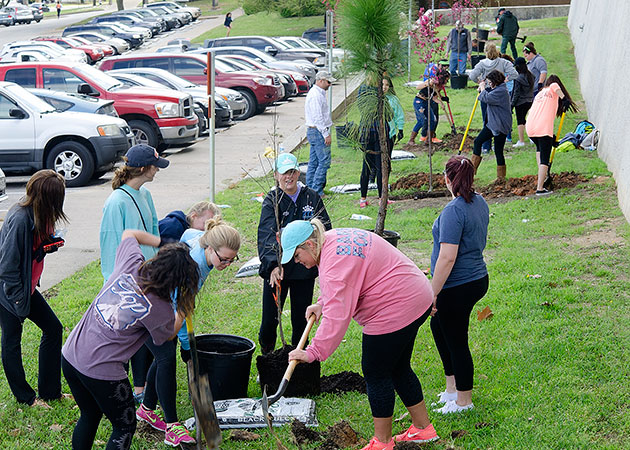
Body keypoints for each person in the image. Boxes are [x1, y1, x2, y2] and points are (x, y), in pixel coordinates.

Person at [285, 220, 438, 450]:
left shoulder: (332, 261)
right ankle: (423, 429)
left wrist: (314, 352)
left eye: (297, 256)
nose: (299, 262)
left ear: (309, 244)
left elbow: (338, 314)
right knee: (398, 367)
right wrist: (322, 303)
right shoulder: (334, 239)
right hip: (416, 294)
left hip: (395, 305)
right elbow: (348, 282)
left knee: (376, 372)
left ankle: (382, 443)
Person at [62, 229, 200, 450]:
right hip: (101, 371)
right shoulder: (160, 309)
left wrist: (161, 241)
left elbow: (129, 234)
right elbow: (169, 335)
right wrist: (183, 309)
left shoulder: (132, 262)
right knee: (124, 427)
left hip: (71, 354)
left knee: (89, 413)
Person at [136, 217, 240, 446]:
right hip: (148, 303)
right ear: (210, 248)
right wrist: (186, 345)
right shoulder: (193, 269)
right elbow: (178, 314)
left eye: (233, 260)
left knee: (163, 356)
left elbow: (188, 234)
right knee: (165, 358)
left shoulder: (200, 240)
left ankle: (146, 409)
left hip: (164, 300)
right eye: (224, 259)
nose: (227, 264)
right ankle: (172, 426)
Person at [100, 143, 168, 405]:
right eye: (155, 167)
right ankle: (128, 390)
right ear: (143, 168)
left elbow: (154, 235)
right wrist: (113, 282)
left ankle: (141, 387)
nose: (157, 171)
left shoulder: (146, 195)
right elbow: (111, 244)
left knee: (145, 334)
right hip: (126, 281)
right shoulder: (116, 201)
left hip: (149, 277)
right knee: (129, 338)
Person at [0, 170, 67, 407]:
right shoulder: (20, 218)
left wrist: (48, 246)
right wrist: (18, 301)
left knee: (53, 329)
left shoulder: (42, 214)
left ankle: (50, 391)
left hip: (26, 287)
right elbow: (6, 267)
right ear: (48, 198)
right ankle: (26, 398)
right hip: (9, 291)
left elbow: (34, 247)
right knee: (11, 343)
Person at [429, 155, 489, 414]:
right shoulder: (480, 202)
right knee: (438, 325)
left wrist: (432, 292)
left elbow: (448, 256)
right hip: (476, 278)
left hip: (458, 284)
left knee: (456, 339)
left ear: (447, 179)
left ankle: (464, 402)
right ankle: (452, 390)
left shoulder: (453, 211)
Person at [257, 153, 331, 354]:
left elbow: (324, 228)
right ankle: (268, 355)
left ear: (298, 172)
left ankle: (298, 357)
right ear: (276, 175)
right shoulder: (271, 200)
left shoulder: (311, 197)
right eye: (284, 173)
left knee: (301, 317)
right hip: (279, 271)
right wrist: (272, 265)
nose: (288, 177)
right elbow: (265, 235)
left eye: (292, 172)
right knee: (270, 319)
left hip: (303, 270)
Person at [525, 75, 577, 196]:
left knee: (539, 150)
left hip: (531, 128)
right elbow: (554, 85)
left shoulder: (540, 93)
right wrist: (564, 99)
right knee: (544, 158)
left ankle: (543, 177)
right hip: (542, 129)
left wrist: (552, 137)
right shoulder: (552, 88)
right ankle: (540, 188)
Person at [359, 76, 404, 208]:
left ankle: (372, 198)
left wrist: (399, 129)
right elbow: (389, 115)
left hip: (375, 134)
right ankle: (373, 198)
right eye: (382, 84)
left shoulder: (366, 94)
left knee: (374, 166)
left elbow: (395, 115)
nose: (384, 87)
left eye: (386, 85)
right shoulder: (377, 98)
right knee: (375, 166)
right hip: (376, 135)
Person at [468, 43, 518, 154]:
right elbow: (514, 74)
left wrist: (480, 82)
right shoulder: (503, 62)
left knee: (487, 120)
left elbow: (472, 75)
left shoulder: (482, 64)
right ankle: (498, 144)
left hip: (487, 92)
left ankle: (486, 146)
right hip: (500, 92)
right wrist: (505, 80)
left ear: (485, 52)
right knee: (500, 118)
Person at [471, 70, 512, 180]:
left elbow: (486, 98)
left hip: (500, 125)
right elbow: (486, 95)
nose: (489, 84)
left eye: (490, 82)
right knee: (478, 142)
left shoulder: (501, 91)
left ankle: (501, 178)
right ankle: (472, 172)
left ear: (495, 81)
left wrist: (483, 88)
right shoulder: (499, 88)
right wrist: (482, 89)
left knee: (498, 150)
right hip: (494, 123)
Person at [305, 71, 335, 196]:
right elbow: (318, 117)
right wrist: (325, 133)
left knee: (314, 161)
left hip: (314, 130)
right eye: (328, 82)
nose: (330, 85)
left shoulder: (317, 93)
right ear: (321, 80)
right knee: (324, 161)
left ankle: (309, 189)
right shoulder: (316, 95)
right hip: (318, 131)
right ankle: (316, 190)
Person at [407, 66, 449, 145]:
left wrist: (441, 103)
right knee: (422, 120)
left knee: (433, 120)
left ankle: (428, 141)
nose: (447, 81)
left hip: (427, 102)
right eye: (446, 79)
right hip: (419, 101)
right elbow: (417, 87)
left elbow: (434, 98)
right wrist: (428, 84)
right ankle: (411, 140)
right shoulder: (431, 82)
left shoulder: (438, 86)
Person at [511, 56, 535, 148]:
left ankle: (521, 141)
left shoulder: (518, 78)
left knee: (520, 121)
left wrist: (512, 105)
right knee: (528, 120)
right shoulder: (531, 76)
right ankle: (532, 138)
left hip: (520, 102)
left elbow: (516, 94)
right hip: (530, 100)